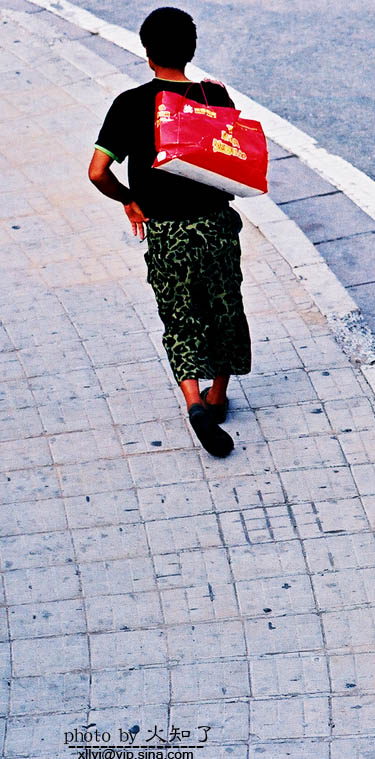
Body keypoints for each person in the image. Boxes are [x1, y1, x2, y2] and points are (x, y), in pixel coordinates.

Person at [88, 7, 251, 458]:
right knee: (224, 305)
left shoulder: (130, 104)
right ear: (192, 50)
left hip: (166, 233)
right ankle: (219, 396)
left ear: (146, 53)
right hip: (216, 226)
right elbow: (231, 161)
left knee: (179, 314)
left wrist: (128, 199)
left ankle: (194, 401)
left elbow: (97, 171)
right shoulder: (215, 96)